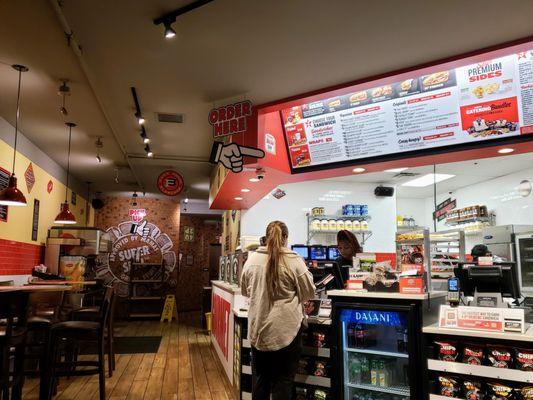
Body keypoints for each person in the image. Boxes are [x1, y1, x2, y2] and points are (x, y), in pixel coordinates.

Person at [241, 221, 316, 400]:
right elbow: (309, 291)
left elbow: (244, 290)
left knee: (261, 380)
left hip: (258, 331)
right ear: (286, 238)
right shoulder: (294, 260)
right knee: (283, 382)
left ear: (266, 238)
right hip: (286, 332)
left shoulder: (252, 260)